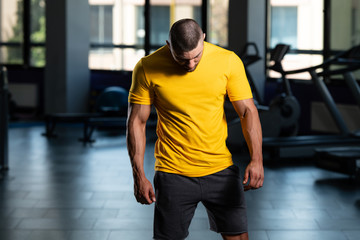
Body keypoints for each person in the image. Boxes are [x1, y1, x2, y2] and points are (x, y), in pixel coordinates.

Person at [127, 18, 264, 240]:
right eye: (182, 59)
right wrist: (138, 175)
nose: (190, 65)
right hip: (173, 172)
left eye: (196, 57)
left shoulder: (228, 61)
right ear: (169, 45)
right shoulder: (147, 67)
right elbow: (137, 122)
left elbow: (248, 111)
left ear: (204, 39)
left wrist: (257, 159)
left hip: (220, 169)